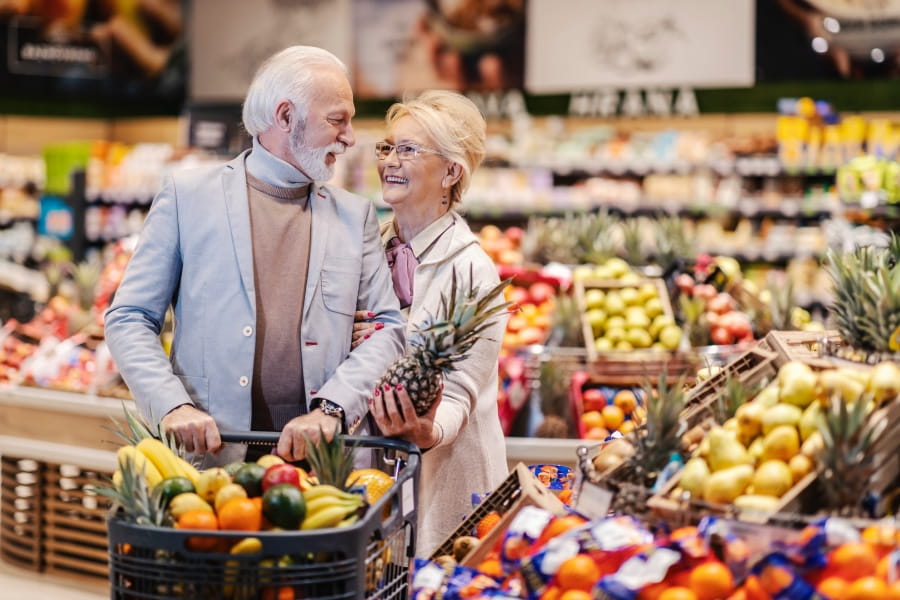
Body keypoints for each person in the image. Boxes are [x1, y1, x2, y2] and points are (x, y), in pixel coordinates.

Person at [104, 46, 405, 466]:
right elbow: (130, 317)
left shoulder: (355, 216)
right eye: (337, 120)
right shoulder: (188, 198)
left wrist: (332, 408)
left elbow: (389, 328)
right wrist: (172, 405)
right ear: (285, 117)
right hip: (211, 457)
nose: (350, 137)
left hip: (323, 466)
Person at [354, 90, 509, 557]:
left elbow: (460, 388)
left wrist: (426, 430)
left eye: (409, 149)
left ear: (451, 172)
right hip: (374, 477)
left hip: (449, 478)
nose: (390, 162)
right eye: (387, 147)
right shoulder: (365, 252)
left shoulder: (473, 270)